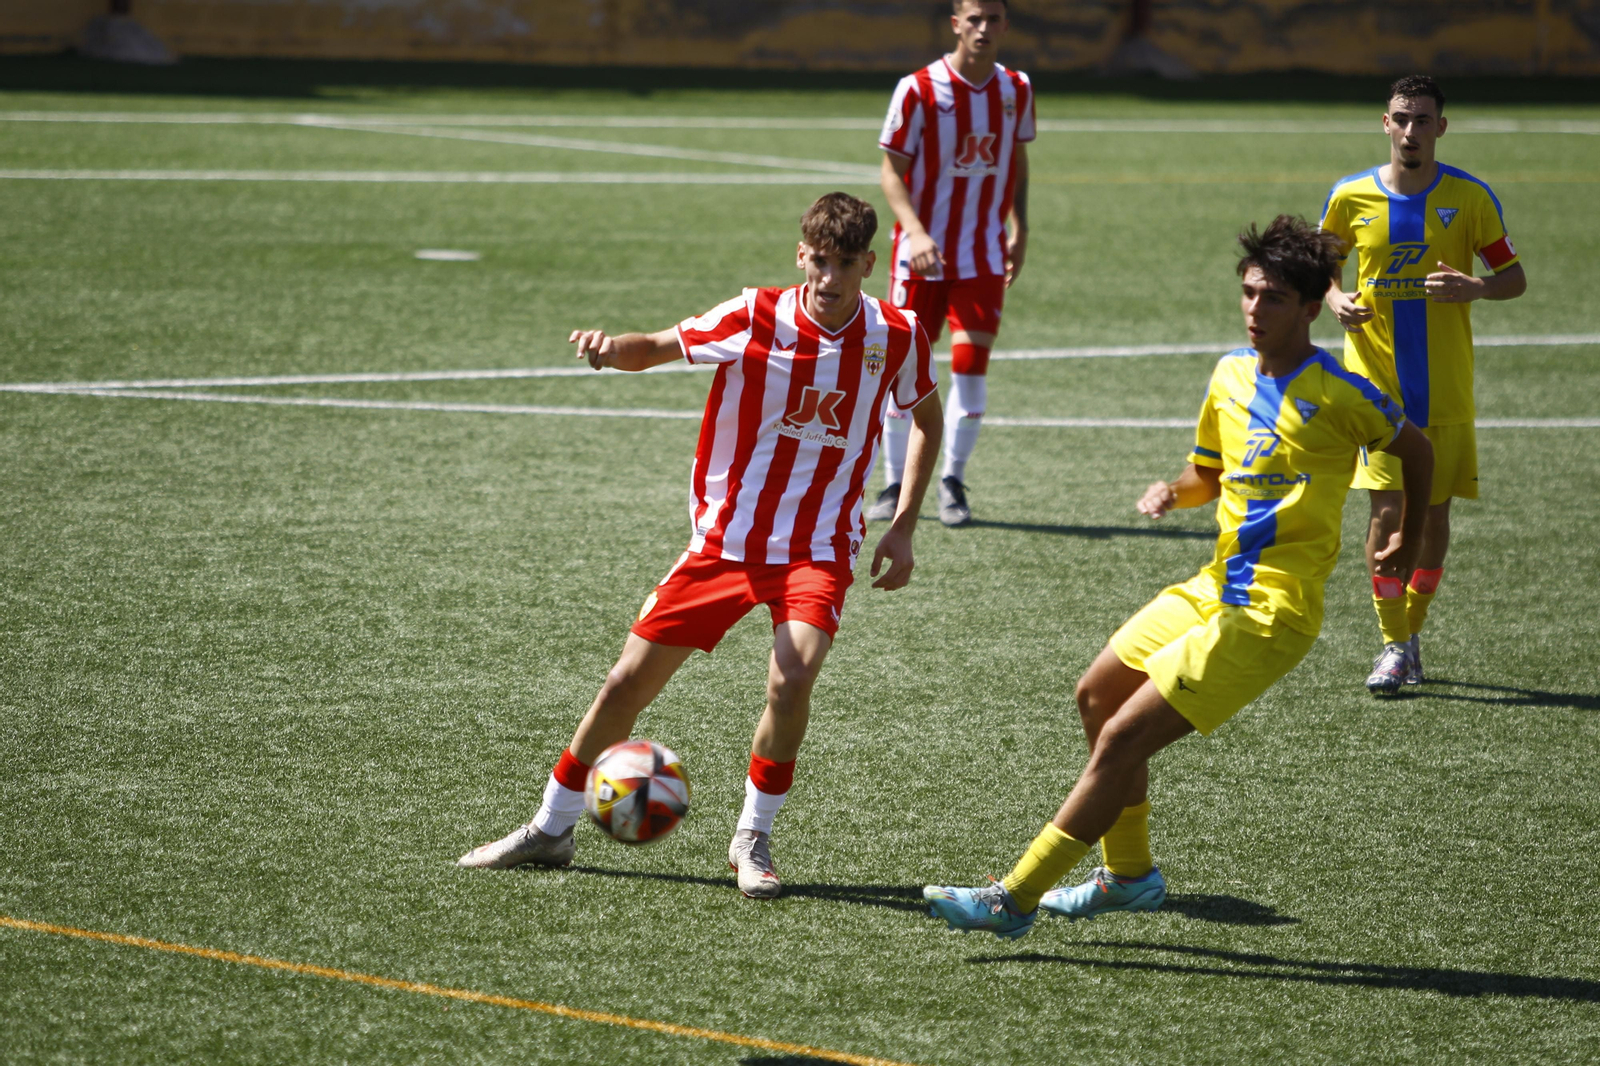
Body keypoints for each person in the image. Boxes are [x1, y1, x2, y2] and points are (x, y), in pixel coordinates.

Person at [924, 215, 1434, 939]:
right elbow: (1208, 474)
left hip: (1270, 612)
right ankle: (1129, 877)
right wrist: (1173, 490)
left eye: (1276, 299)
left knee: (1123, 742)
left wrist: (1408, 541)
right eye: (1251, 293)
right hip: (1213, 586)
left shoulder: (1341, 393)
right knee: (1096, 694)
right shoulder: (1229, 374)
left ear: (1312, 307)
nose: (1257, 310)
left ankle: (1014, 897)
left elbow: (1418, 454)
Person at [458, 193, 943, 899]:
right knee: (626, 684)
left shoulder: (896, 335)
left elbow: (927, 417)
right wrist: (607, 349)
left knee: (793, 678)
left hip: (816, 549)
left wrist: (903, 523)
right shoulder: (752, 314)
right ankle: (550, 826)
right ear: (800, 256)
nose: (830, 278)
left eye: (846, 264)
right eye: (819, 261)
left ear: (869, 263)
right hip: (726, 543)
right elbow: (655, 347)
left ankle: (752, 839)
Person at [1320, 74, 1527, 696]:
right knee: (1388, 513)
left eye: (1423, 120)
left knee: (1432, 518)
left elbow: (1513, 277)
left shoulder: (1470, 198)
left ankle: (1413, 628)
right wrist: (1334, 297)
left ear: (1442, 127)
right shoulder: (1350, 196)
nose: (1411, 132)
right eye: (1401, 119)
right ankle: (1394, 642)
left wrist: (1476, 287)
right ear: (1385, 123)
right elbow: (1321, 266)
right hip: (1376, 389)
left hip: (1446, 387)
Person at [868, 0, 1033, 527]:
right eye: (974, 18)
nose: (983, 29)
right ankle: (894, 486)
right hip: (919, 259)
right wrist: (915, 232)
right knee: (902, 372)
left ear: (1006, 26)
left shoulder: (1017, 89)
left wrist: (1020, 226)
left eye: (994, 19)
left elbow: (1018, 159)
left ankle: (952, 482)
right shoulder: (917, 88)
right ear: (956, 23)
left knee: (971, 366)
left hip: (982, 254)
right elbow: (891, 171)